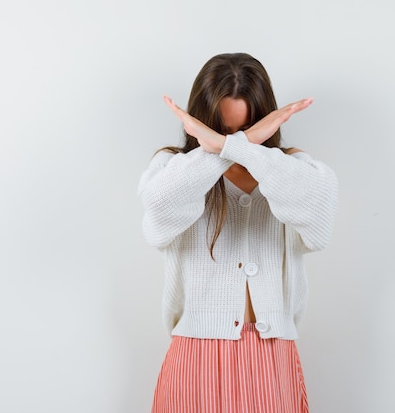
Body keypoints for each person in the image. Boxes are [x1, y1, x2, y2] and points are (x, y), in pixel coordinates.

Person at [138, 53, 339, 413]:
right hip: (196, 356)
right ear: (201, 123)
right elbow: (157, 218)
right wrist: (222, 151)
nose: (233, 142)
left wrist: (242, 148)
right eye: (222, 132)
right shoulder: (175, 168)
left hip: (271, 356)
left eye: (248, 130)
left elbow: (320, 227)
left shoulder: (290, 169)